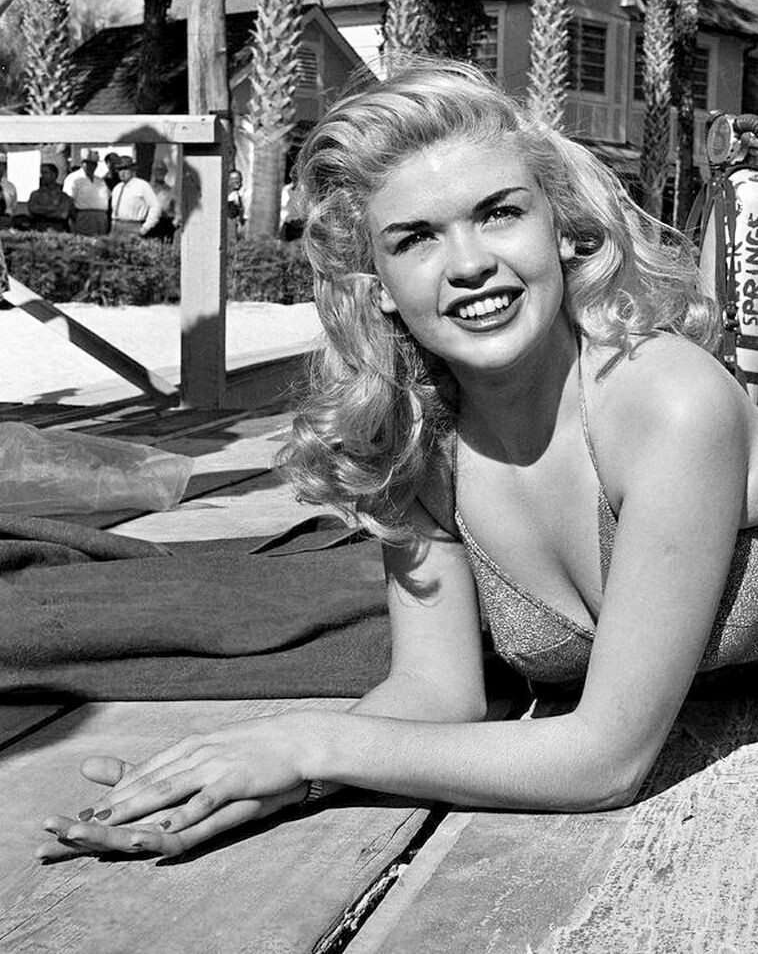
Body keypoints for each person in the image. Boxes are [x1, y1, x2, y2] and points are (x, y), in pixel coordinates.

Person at [37, 58, 758, 862]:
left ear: (561, 227)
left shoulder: (668, 402)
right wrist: (256, 775)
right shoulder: (420, 442)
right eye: (415, 238)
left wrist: (309, 742)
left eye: (499, 213)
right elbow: (436, 692)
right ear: (376, 282)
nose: (468, 264)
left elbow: (606, 759)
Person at [109, 156, 162, 240]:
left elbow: (155, 206)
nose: (122, 172)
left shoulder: (142, 185)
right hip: (116, 226)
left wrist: (146, 227)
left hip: (133, 226)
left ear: (132, 170)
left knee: (131, 248)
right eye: (120, 169)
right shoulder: (117, 188)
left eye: (125, 169)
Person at [67, 151, 110, 237]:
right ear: (82, 164)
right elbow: (69, 200)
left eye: (93, 164)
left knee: (100, 241)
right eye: (88, 163)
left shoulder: (100, 180)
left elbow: (108, 197)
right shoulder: (74, 178)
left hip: (101, 216)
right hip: (83, 215)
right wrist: (75, 217)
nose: (91, 166)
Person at [27, 163, 72, 232]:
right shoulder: (35, 194)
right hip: (38, 228)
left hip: (57, 229)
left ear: (54, 175)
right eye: (41, 173)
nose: (42, 176)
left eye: (45, 173)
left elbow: (63, 214)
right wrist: (52, 208)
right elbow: (32, 209)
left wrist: (41, 210)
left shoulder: (63, 196)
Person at [145, 160, 178, 243]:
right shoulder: (146, 188)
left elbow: (176, 212)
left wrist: (172, 226)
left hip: (164, 225)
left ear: (166, 172)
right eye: (157, 170)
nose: (160, 172)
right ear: (153, 171)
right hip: (148, 225)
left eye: (162, 170)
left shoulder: (171, 191)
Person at [227, 168, 246, 242]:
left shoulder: (238, 196)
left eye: (240, 180)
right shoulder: (225, 196)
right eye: (235, 180)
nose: (239, 183)